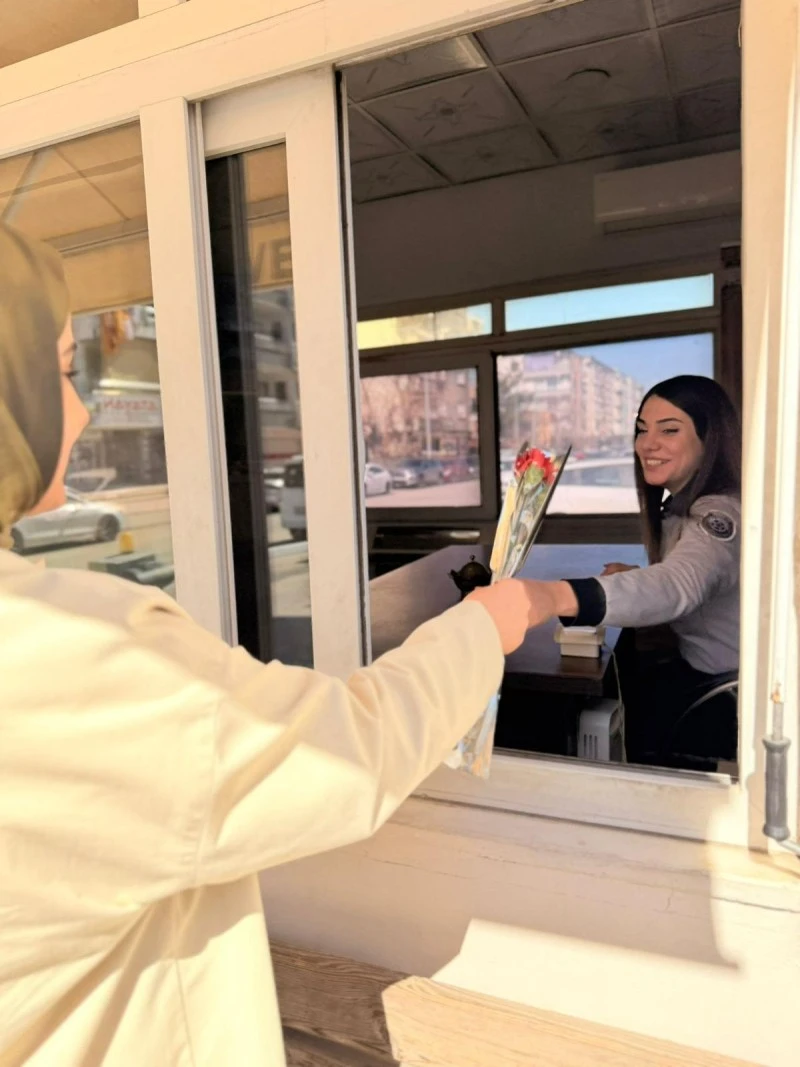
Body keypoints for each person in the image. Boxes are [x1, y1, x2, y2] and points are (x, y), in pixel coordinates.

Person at [0, 224, 548, 1066]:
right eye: (64, 373)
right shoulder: (67, 650)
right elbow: (350, 751)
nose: (81, 409)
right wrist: (484, 627)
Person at [523, 376, 741, 768]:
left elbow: (679, 584)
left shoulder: (720, 512)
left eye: (669, 430)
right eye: (642, 430)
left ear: (710, 439)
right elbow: (689, 575)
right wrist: (639, 574)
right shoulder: (685, 505)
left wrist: (555, 596)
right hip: (702, 673)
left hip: (725, 697)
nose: (647, 444)